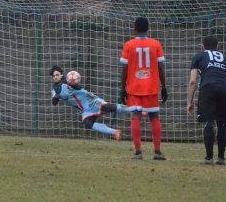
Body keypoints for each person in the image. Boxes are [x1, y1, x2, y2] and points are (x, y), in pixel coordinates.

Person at [120, 17, 167, 160]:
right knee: (154, 116)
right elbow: (160, 67)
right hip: (152, 86)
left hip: (134, 86)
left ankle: (138, 152)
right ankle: (157, 152)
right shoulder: (156, 44)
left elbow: (124, 68)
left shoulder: (128, 45)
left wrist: (122, 89)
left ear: (134, 28)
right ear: (148, 28)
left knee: (135, 116)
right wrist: (164, 86)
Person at [187, 36, 226, 165]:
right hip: (225, 89)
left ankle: (209, 158)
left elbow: (192, 81)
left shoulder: (199, 56)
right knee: (222, 123)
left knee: (208, 122)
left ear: (202, 46)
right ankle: (221, 158)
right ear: (217, 46)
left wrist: (189, 102)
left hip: (208, 88)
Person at [50, 65, 128, 140]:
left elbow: (77, 87)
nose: (55, 77)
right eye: (53, 76)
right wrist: (57, 95)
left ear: (62, 74)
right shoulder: (55, 89)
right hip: (86, 109)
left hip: (92, 101)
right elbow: (54, 102)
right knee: (88, 123)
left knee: (108, 107)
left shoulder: (68, 81)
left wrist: (70, 84)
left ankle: (132, 108)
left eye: (57, 75)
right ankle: (115, 132)